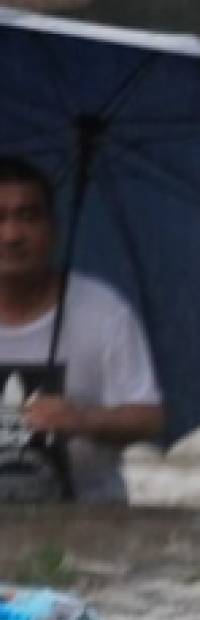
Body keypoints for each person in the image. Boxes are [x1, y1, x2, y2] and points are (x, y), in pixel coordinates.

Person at [0, 155, 163, 503]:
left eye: (28, 216)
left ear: (54, 229)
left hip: (88, 517)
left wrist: (82, 419)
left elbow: (148, 416)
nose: (12, 235)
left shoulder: (103, 310)